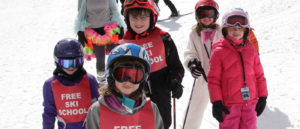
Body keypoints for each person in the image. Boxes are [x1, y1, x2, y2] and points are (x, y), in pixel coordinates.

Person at [120, 0, 185, 128]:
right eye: (134, 17)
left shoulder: (164, 40)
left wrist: (175, 79)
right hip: (133, 100)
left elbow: (176, 67)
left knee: (163, 124)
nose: (138, 23)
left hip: (161, 98)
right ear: (127, 18)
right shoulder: (123, 46)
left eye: (143, 17)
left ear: (153, 17)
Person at [207, 8, 268, 129]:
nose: (236, 31)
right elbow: (213, 79)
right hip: (229, 105)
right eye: (232, 28)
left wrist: (263, 96)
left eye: (240, 28)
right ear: (225, 30)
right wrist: (216, 102)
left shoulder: (251, 50)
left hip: (250, 103)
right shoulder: (219, 52)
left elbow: (259, 75)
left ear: (246, 30)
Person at [85, 43, 164, 129]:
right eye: (121, 74)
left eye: (135, 76)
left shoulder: (152, 109)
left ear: (143, 79)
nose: (128, 81)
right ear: (111, 75)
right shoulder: (97, 110)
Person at [42, 38, 100, 129]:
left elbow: (98, 108)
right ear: (57, 62)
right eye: (66, 63)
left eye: (76, 62)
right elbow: (49, 113)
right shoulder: (50, 85)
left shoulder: (90, 80)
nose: (71, 67)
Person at [183, 0, 221, 128]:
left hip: (222, 77)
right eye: (202, 14)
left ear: (216, 16)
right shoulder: (194, 34)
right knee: (195, 106)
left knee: (227, 105)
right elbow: (189, 52)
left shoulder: (222, 31)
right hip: (203, 76)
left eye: (210, 14)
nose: (206, 18)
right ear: (197, 16)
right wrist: (192, 64)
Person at [74, 0, 126, 86]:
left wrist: (120, 25)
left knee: (116, 54)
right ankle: (102, 82)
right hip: (94, 32)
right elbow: (81, 15)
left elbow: (114, 10)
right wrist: (80, 31)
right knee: (100, 57)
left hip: (109, 29)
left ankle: (118, 76)